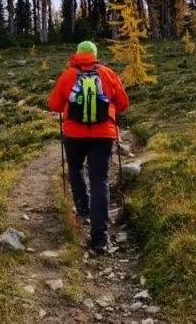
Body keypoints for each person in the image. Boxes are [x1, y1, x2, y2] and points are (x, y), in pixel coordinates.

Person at [47, 40, 129, 253]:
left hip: (74, 134)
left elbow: (54, 105)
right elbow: (122, 104)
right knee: (100, 180)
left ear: (77, 54)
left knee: (75, 167)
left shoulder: (67, 75)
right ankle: (100, 239)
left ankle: (83, 210)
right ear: (95, 54)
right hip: (104, 134)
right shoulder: (108, 74)